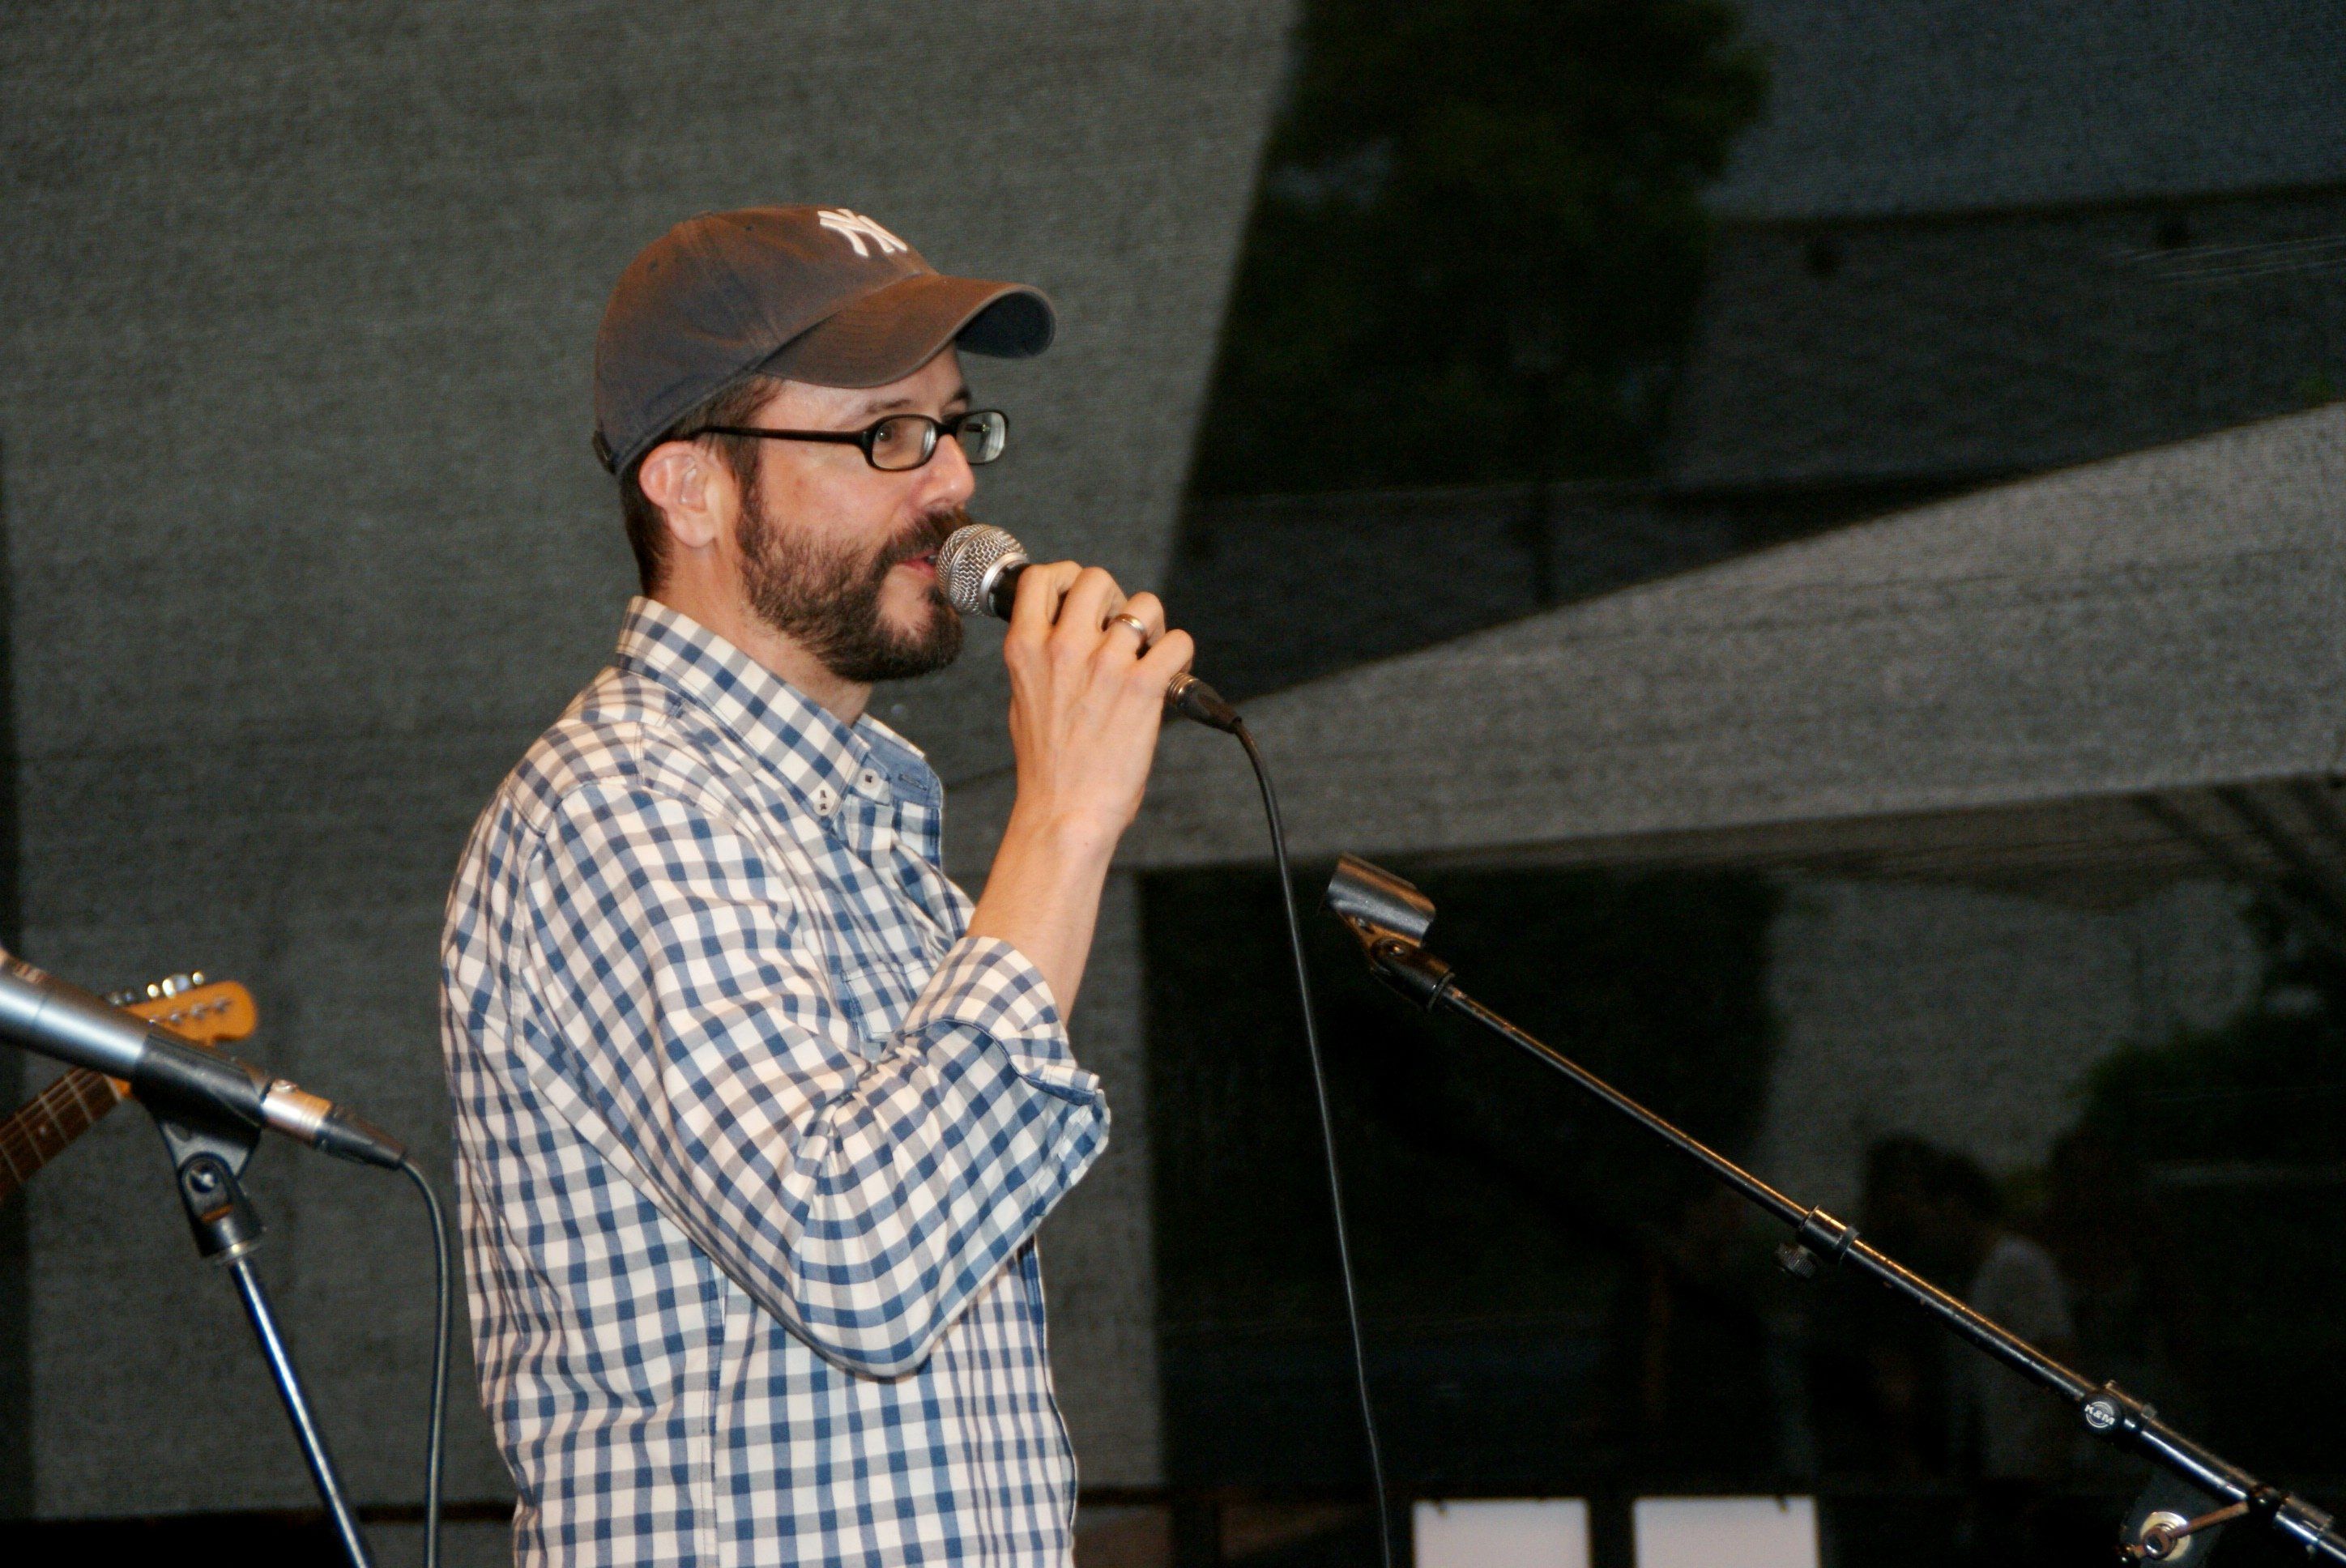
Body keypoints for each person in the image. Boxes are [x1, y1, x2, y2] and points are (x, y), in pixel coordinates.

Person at [440, 206, 1193, 1567]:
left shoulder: (861, 821)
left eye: (955, 426)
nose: (953, 484)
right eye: (885, 434)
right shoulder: (620, 807)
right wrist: (1065, 819)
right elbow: (861, 1260)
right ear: (693, 489)